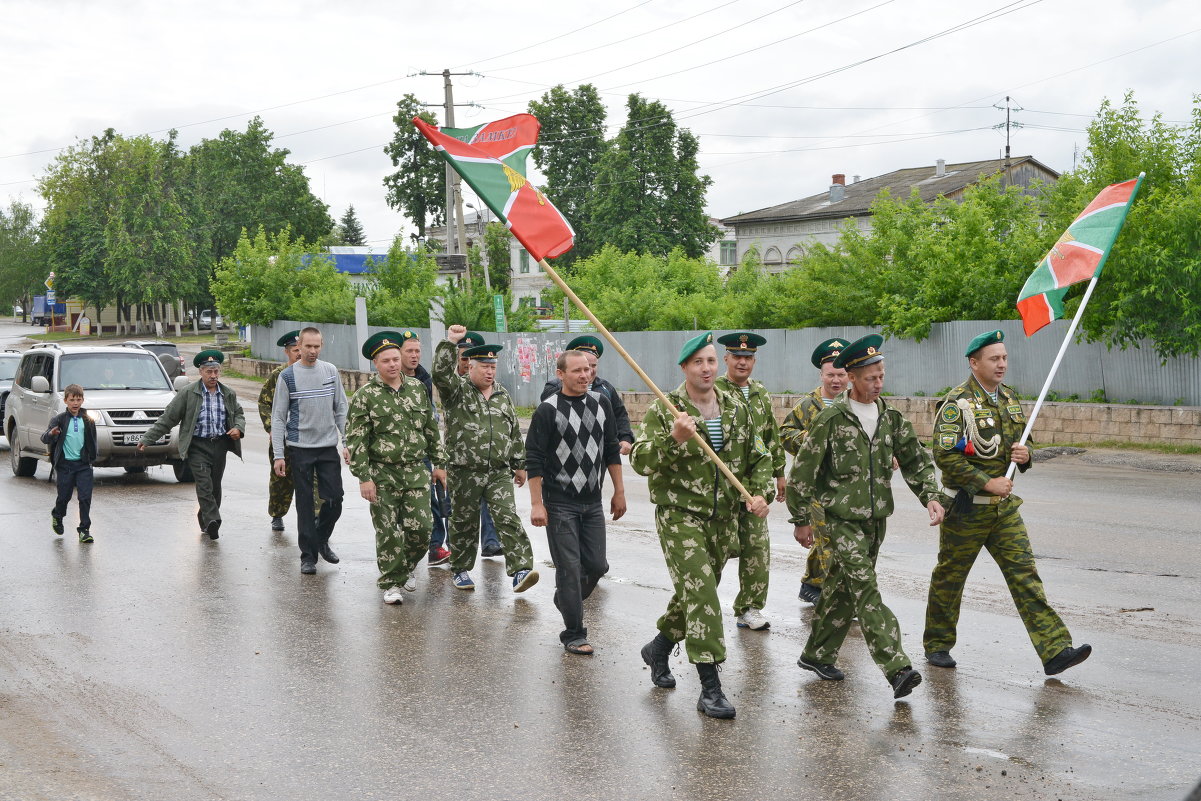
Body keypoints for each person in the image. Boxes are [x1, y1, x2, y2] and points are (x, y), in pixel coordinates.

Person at [923, 329, 1092, 675]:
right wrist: (986, 481)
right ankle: (938, 644)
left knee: (1025, 575)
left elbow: (1022, 446)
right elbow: (945, 455)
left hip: (1003, 511)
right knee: (950, 578)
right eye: (994, 358)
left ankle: (1055, 649)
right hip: (966, 508)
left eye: (1004, 358)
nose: (1002, 364)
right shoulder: (957, 405)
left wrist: (1026, 455)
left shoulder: (1009, 399)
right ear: (974, 363)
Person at [787, 334, 944, 699]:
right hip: (840, 521)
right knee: (866, 590)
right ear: (852, 378)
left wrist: (931, 497)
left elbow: (916, 461)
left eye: (881, 375)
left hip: (876, 522)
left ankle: (817, 654)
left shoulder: (890, 417)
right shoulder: (831, 418)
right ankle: (897, 668)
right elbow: (802, 474)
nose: (878, 383)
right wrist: (801, 520)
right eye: (871, 377)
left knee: (842, 590)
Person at [632, 332, 771, 719]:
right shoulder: (666, 409)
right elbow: (641, 461)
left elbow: (760, 457)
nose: (707, 368)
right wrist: (674, 439)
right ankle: (710, 687)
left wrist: (760, 495)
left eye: (710, 361)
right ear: (684, 368)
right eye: (698, 362)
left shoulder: (735, 408)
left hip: (723, 519)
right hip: (680, 517)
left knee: (696, 593)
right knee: (705, 597)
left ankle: (659, 648)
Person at [526, 349, 627, 654]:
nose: (585, 376)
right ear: (561, 375)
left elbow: (611, 448)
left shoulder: (602, 403)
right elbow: (534, 459)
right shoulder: (547, 410)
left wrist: (619, 490)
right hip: (559, 503)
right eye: (577, 371)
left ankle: (566, 598)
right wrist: (537, 503)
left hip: (592, 502)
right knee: (568, 568)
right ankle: (574, 633)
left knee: (596, 565)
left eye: (588, 370)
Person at [432, 325, 539, 593]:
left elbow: (512, 430)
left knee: (507, 517)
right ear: (470, 367)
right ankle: (460, 569)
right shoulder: (457, 392)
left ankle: (521, 569)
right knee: (464, 522)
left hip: (498, 472)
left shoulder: (502, 395)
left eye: (493, 366)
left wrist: (519, 464)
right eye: (484, 366)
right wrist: (450, 343)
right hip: (464, 471)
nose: (490, 372)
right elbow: (440, 374)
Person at [347, 331, 446, 605]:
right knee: (388, 531)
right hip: (383, 473)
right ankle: (391, 583)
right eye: (386, 360)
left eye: (395, 359)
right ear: (376, 364)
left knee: (422, 528)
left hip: (416, 471)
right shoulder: (365, 396)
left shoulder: (417, 389)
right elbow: (356, 440)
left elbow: (430, 429)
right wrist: (364, 478)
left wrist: (439, 464)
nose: (392, 364)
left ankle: (405, 568)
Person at [713, 331, 786, 632]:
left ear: (754, 360)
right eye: (737, 357)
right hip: (722, 486)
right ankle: (695, 605)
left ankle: (750, 608)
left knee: (757, 547)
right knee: (717, 548)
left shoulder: (761, 393)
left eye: (748, 357)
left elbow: (771, 436)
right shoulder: (714, 390)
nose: (742, 362)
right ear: (726, 359)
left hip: (756, 486)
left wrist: (780, 474)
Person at [139, 350, 245, 540]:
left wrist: (238, 427)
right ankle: (213, 520)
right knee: (204, 484)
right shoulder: (188, 393)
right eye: (209, 372)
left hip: (219, 445)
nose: (213, 376)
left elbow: (238, 413)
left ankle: (205, 519)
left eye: (216, 372)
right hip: (197, 446)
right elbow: (168, 418)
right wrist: (148, 438)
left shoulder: (228, 393)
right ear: (200, 372)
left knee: (215, 486)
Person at [271, 327, 350, 575]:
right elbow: (278, 418)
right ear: (300, 346)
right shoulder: (288, 377)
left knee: (335, 498)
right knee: (304, 504)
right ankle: (308, 556)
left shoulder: (330, 371)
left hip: (327, 446)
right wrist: (279, 454)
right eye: (308, 346)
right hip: (299, 448)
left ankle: (321, 537)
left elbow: (341, 409)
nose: (312, 351)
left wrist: (347, 442)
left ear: (321, 345)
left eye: (317, 346)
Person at [780, 338, 849, 604]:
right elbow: (785, 434)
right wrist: (810, 440)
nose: (836, 380)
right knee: (828, 539)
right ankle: (833, 597)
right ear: (821, 375)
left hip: (847, 486)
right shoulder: (807, 406)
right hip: (816, 486)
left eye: (841, 375)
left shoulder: (855, 403)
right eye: (830, 374)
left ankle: (812, 585)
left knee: (833, 539)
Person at [442, 329, 503, 562]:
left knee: (489, 500)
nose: (466, 361)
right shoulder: (454, 385)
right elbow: (442, 374)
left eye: (470, 357)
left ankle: (490, 542)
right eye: (463, 356)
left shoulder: (492, 386)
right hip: (458, 455)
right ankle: (454, 548)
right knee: (456, 507)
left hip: (487, 456)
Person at [540, 334, 635, 456]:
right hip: (563, 454)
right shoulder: (553, 388)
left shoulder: (605, 388)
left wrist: (625, 438)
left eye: (593, 365)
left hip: (598, 454)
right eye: (583, 366)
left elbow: (620, 414)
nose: (588, 371)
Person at [257, 330, 311, 532]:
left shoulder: (313, 372)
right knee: (281, 480)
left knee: (310, 481)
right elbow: (264, 402)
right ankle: (277, 514)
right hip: (283, 438)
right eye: (295, 350)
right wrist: (271, 428)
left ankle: (313, 518)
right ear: (287, 352)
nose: (299, 354)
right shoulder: (278, 376)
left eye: (301, 349)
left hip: (307, 437)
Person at [43, 383, 96, 543]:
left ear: (82, 400)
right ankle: (57, 515)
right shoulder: (59, 420)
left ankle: (84, 530)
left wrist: (92, 457)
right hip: (65, 465)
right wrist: (52, 433)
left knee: (85, 497)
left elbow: (93, 440)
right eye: (72, 399)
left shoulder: (87, 419)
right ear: (66, 401)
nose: (75, 403)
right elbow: (44, 438)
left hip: (83, 465)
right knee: (64, 497)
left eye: (78, 399)